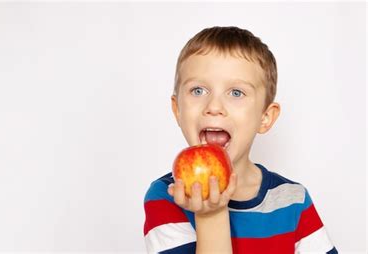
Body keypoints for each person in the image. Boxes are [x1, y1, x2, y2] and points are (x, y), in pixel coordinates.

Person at [143, 26, 337, 254]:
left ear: (265, 117)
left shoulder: (293, 200)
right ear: (178, 110)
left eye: (236, 93)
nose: (214, 107)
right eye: (198, 90)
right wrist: (210, 216)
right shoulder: (166, 197)